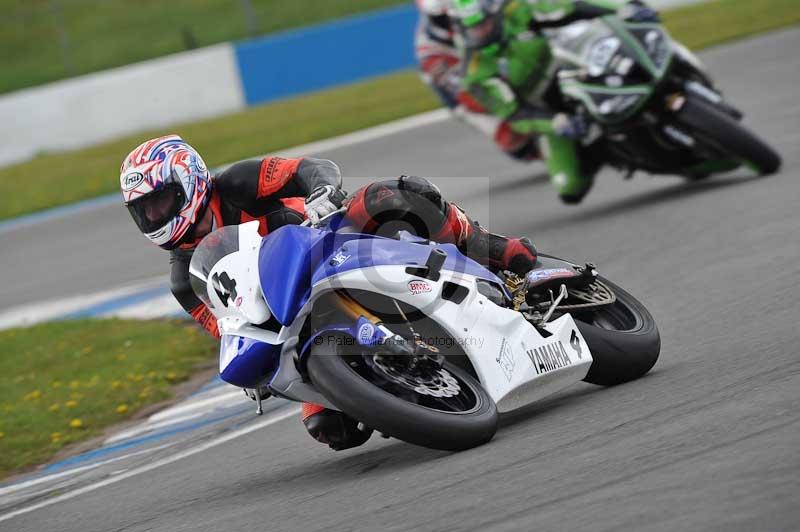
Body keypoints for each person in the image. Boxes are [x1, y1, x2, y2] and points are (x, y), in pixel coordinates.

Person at [120, 134, 537, 450]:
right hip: (294, 312)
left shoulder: (238, 182)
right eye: (146, 211)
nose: (155, 216)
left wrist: (320, 192)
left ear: (189, 180)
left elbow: (310, 168)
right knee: (331, 428)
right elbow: (223, 325)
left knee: (388, 197)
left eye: (161, 202)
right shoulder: (183, 280)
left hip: (328, 241)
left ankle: (490, 248)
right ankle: (409, 388)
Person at [450, 0, 659, 203]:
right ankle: (614, 151)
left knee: (630, 55)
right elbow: (515, 115)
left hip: (576, 70)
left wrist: (624, 8)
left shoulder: (519, 9)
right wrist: (557, 123)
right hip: (549, 110)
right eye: (472, 28)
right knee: (569, 188)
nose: (479, 32)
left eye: (483, 24)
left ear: (495, 14)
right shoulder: (474, 74)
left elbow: (572, 7)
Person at [415, 0, 540, 161]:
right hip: (462, 94)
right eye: (444, 17)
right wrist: (510, 106)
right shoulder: (431, 52)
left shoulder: (474, 9)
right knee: (513, 139)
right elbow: (469, 94)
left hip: (490, 56)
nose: (453, 19)